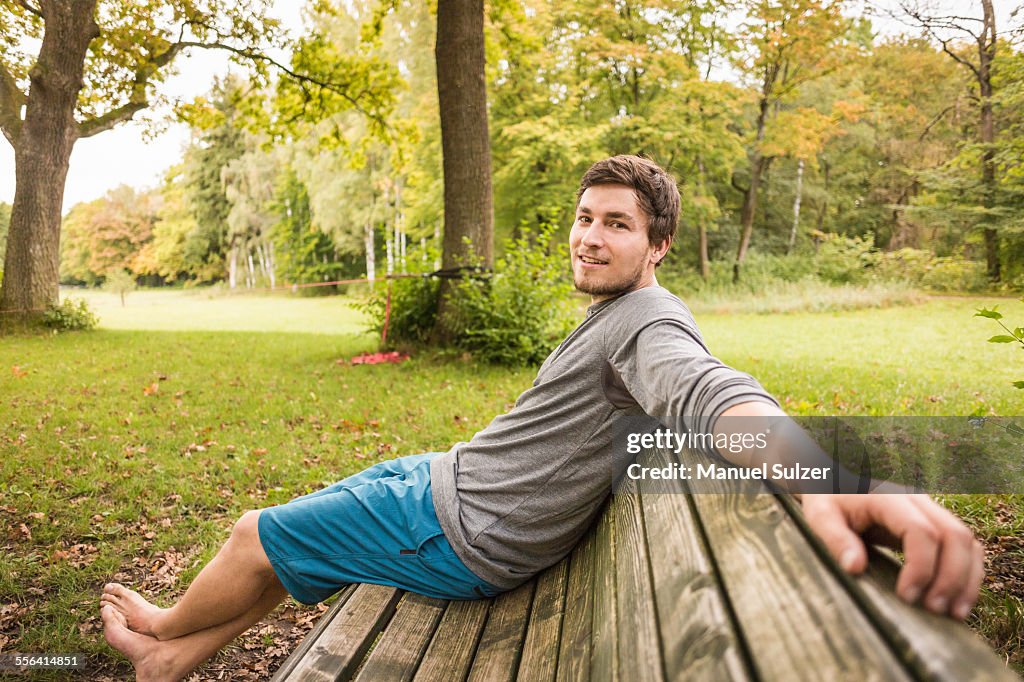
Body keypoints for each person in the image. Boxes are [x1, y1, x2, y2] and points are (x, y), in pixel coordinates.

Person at [100, 156, 985, 681]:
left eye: (617, 226)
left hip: (459, 532)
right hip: (449, 482)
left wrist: (822, 476)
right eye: (583, 218)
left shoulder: (650, 323)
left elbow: (708, 390)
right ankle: (172, 662)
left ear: (659, 245)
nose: (589, 238)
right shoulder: (617, 312)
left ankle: (168, 628)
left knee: (258, 534)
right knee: (301, 541)